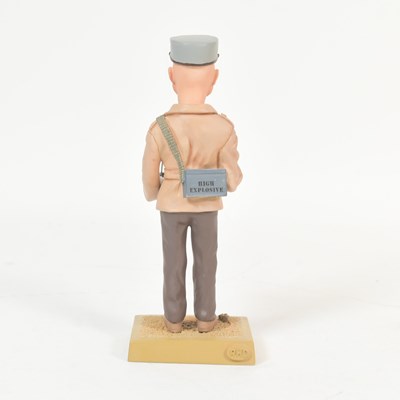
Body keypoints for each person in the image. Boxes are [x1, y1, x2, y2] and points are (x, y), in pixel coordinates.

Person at [142, 35, 242, 333]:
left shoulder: (159, 128)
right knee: (206, 263)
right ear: (214, 80)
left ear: (171, 77)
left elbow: (149, 181)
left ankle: (173, 320)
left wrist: (157, 191)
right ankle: (206, 318)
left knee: (172, 264)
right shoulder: (223, 127)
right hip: (207, 206)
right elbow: (233, 180)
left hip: (171, 205)